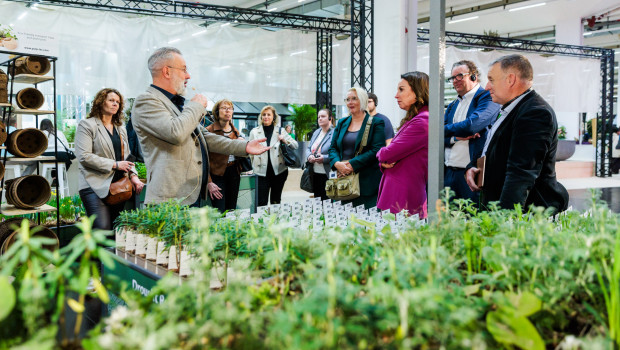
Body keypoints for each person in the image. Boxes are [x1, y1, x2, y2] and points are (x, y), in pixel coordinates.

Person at [131, 47, 269, 206]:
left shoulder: (174, 104)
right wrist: (195, 106)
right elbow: (175, 132)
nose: (188, 76)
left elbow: (206, 137)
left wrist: (244, 146)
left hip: (191, 193)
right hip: (169, 198)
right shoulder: (146, 101)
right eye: (184, 70)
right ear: (166, 72)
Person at [465, 54, 569, 214]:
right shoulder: (510, 109)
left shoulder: (535, 113)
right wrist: (473, 166)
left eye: (491, 79)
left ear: (510, 79)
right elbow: (493, 147)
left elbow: (521, 175)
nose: (487, 87)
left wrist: (504, 221)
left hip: (526, 212)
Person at [75, 88, 144, 230]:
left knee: (115, 230)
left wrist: (134, 176)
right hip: (93, 185)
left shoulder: (120, 129)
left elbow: (127, 158)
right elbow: (84, 156)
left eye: (118, 102)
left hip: (118, 186)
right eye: (111, 100)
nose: (115, 104)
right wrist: (114, 164)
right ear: (100, 102)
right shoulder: (87, 125)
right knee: (102, 229)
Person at [444, 60, 500, 203]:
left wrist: (449, 130)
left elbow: (472, 126)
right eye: (452, 78)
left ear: (474, 76)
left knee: (472, 218)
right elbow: (437, 134)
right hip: (449, 172)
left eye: (459, 76)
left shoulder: (487, 97)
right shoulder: (452, 105)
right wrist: (456, 137)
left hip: (471, 172)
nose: (455, 81)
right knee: (447, 219)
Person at [376, 72, 429, 217]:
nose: (396, 95)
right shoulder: (416, 119)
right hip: (399, 193)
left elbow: (388, 153)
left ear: (418, 92)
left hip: (403, 196)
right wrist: (384, 160)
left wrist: (381, 154)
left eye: (401, 89)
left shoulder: (422, 121)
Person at [328, 87, 385, 208]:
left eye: (354, 98)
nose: (350, 102)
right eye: (347, 99)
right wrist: (337, 164)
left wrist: (351, 165)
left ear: (363, 100)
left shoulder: (376, 123)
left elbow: (376, 151)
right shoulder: (342, 123)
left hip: (366, 183)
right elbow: (332, 148)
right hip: (342, 182)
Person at [249, 105, 298, 206]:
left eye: (268, 115)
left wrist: (284, 139)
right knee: (260, 202)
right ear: (261, 117)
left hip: (278, 171)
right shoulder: (254, 132)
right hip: (260, 173)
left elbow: (295, 145)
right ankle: (261, 221)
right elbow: (251, 153)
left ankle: (275, 221)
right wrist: (252, 166)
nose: (266, 117)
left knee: (276, 201)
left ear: (273, 117)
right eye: (264, 115)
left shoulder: (281, 131)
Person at [206, 99, 246, 212]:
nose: (227, 111)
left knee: (232, 209)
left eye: (230, 108)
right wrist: (209, 182)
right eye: (224, 108)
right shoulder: (209, 131)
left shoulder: (236, 132)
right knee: (219, 211)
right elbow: (203, 159)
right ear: (217, 112)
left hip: (233, 172)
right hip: (217, 175)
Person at [306, 108, 334, 200]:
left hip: (328, 173)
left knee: (328, 201)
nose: (320, 119)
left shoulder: (335, 133)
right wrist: (309, 155)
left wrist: (325, 158)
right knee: (318, 200)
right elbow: (308, 148)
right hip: (315, 172)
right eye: (318, 117)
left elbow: (338, 153)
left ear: (330, 118)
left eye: (323, 116)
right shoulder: (317, 132)